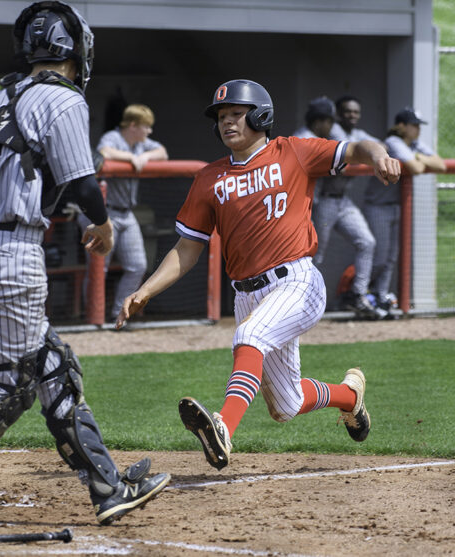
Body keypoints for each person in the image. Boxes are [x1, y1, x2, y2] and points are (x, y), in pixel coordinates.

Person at [0, 1, 170, 528]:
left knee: (54, 367)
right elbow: (83, 184)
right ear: (77, 51)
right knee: (12, 386)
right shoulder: (65, 100)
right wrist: (104, 225)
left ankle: (109, 488)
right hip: (14, 255)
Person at [117, 79, 401, 471]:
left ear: (261, 116)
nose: (227, 122)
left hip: (297, 282)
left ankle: (223, 428)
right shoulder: (209, 178)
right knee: (285, 405)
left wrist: (380, 155)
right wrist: (146, 289)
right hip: (247, 294)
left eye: (236, 113)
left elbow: (356, 149)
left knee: (249, 335)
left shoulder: (293, 151)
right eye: (221, 116)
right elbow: (187, 249)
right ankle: (349, 397)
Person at [78, 104, 168, 323]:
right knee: (99, 268)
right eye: (146, 127)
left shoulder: (142, 144)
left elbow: (163, 153)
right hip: (104, 214)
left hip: (127, 214)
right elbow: (105, 152)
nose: (149, 131)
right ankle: (91, 316)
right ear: (133, 125)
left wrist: (144, 157)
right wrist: (130, 157)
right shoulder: (113, 137)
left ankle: (118, 314)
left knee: (138, 266)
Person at [304, 94, 384, 319]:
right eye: (347, 111)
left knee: (367, 242)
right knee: (316, 253)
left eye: (356, 112)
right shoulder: (334, 131)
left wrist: (371, 151)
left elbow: (380, 146)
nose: (352, 115)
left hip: (343, 200)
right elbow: (352, 154)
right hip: (324, 200)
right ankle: (302, 298)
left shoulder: (357, 134)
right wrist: (365, 153)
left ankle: (357, 295)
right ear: (337, 116)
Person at [364, 107, 445, 318]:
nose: (418, 129)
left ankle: (379, 296)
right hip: (378, 205)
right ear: (401, 126)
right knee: (380, 258)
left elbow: (440, 164)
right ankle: (358, 294)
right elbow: (417, 168)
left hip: (394, 205)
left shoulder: (414, 145)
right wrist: (419, 159)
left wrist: (418, 156)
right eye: (414, 125)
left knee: (391, 258)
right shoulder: (394, 141)